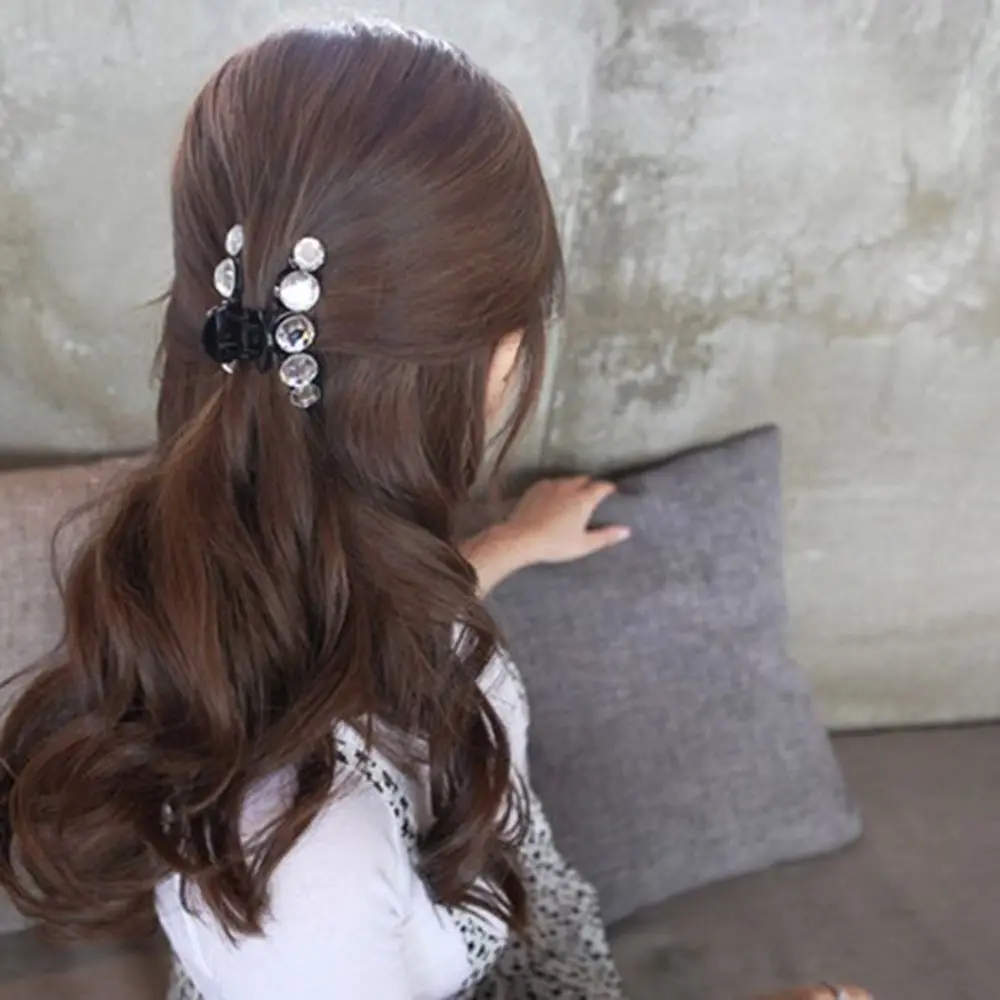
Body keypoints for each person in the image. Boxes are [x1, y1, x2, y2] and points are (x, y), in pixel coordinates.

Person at [0, 21, 869, 1000]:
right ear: (498, 363)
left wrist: (511, 544)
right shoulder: (304, 875)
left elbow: (381, 633)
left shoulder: (288, 553)